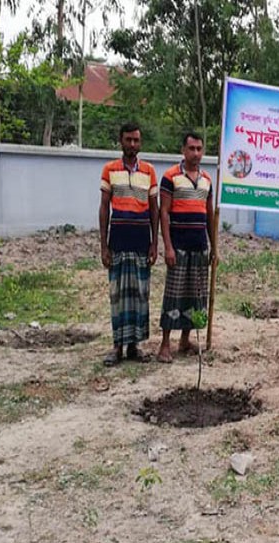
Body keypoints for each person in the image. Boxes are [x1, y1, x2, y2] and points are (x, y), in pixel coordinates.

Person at [99, 122, 159, 366]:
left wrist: (155, 243)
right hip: (118, 241)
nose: (132, 144)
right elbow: (104, 208)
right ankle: (117, 347)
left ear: (140, 142)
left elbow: (154, 209)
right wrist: (104, 245)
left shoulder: (149, 171)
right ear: (121, 141)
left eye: (136, 140)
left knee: (139, 294)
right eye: (128, 140)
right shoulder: (109, 169)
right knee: (118, 294)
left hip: (141, 242)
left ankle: (135, 345)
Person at [156, 132, 215, 363]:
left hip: (200, 247)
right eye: (191, 148)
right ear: (183, 150)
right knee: (174, 295)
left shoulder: (207, 179)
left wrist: (214, 247)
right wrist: (168, 247)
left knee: (196, 294)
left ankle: (185, 339)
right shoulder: (170, 177)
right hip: (178, 247)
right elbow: (164, 212)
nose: (196, 153)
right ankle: (164, 345)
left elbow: (209, 215)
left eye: (200, 149)